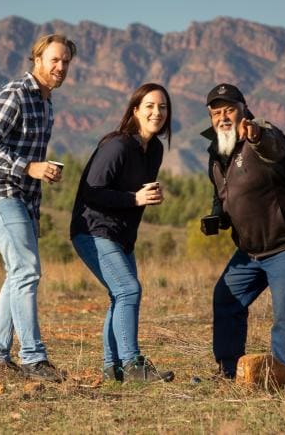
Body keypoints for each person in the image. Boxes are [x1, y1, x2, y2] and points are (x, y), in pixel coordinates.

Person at [0, 34, 77, 382]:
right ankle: (33, 357)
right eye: (54, 60)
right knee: (27, 271)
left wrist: (41, 173)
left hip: (22, 199)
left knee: (17, 274)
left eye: (65, 62)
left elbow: (30, 158)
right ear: (38, 60)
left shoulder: (47, 104)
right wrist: (29, 167)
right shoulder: (15, 93)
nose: (60, 67)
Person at [200, 83, 285, 379]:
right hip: (251, 250)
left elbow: (272, 147)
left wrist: (257, 135)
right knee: (226, 298)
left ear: (244, 109)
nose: (223, 117)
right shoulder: (217, 150)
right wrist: (218, 217)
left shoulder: (266, 135)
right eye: (217, 113)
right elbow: (222, 193)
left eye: (229, 110)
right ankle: (229, 370)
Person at [70, 83, 175, 383]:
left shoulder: (153, 150)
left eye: (163, 107)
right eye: (150, 106)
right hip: (92, 231)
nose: (157, 112)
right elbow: (93, 193)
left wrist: (145, 196)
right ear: (135, 110)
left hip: (122, 236)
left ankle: (112, 367)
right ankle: (132, 365)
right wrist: (135, 199)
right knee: (128, 290)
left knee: (120, 295)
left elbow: (133, 193)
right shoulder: (117, 145)